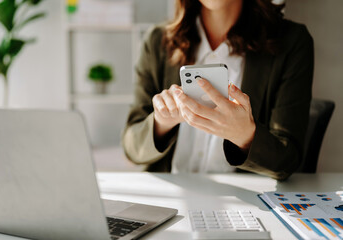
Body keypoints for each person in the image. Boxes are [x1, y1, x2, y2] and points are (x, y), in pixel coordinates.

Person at [122, 0, 314, 180]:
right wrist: (161, 123)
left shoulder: (292, 42)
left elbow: (288, 161)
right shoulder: (157, 41)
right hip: (171, 200)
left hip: (245, 204)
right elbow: (132, 148)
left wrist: (245, 137)